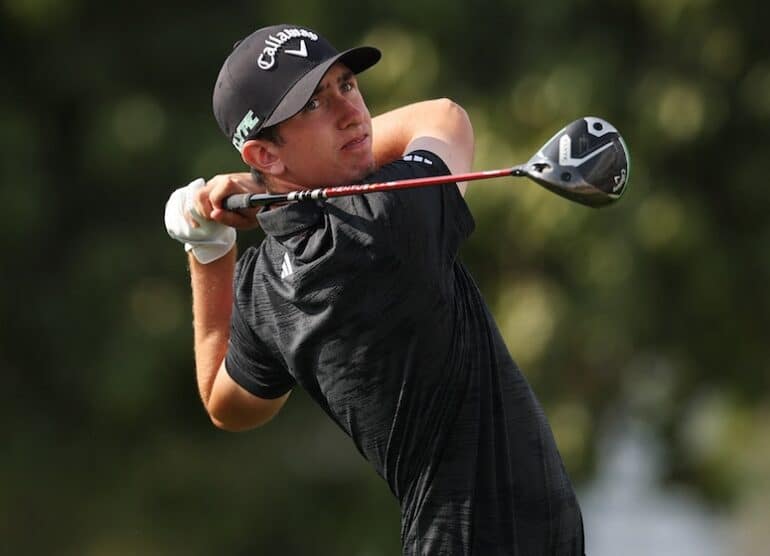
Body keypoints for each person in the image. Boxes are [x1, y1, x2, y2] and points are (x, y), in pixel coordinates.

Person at [165, 24, 585, 555]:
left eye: (346, 85)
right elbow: (442, 117)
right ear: (264, 153)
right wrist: (261, 190)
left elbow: (225, 403)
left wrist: (208, 248)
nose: (351, 112)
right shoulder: (382, 223)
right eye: (314, 104)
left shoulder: (267, 287)